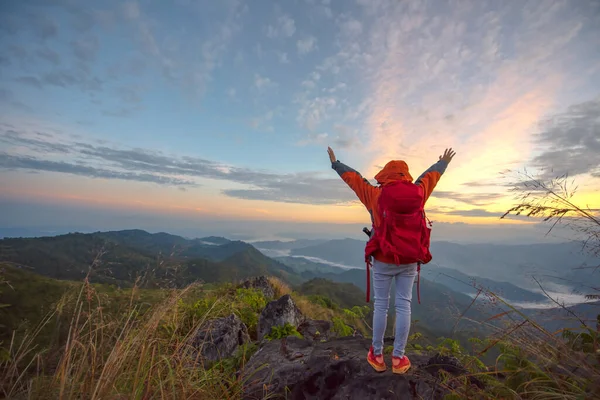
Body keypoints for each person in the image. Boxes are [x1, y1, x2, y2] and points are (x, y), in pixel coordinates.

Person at [327, 146, 456, 374]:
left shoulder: (375, 195)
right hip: (409, 259)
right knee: (403, 305)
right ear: (405, 176)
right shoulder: (418, 192)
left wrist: (336, 164)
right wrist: (442, 163)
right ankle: (398, 358)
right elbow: (429, 177)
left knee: (382, 305)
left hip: (383, 259)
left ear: (385, 175)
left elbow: (355, 179)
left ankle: (377, 355)